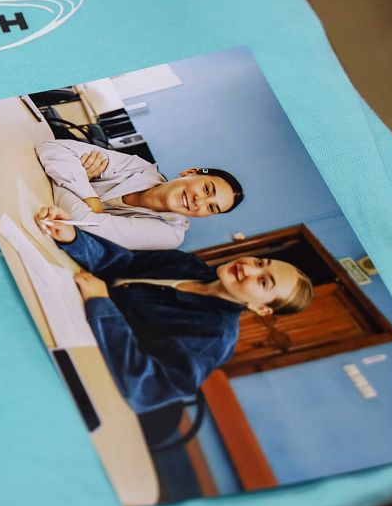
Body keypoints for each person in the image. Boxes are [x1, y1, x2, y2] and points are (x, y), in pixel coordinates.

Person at [35, 207, 313, 412]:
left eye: (263, 281)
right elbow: (121, 264)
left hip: (71, 357)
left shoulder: (215, 338)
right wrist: (73, 238)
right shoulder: (189, 265)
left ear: (262, 309)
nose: (249, 268)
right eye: (261, 262)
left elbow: (143, 389)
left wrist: (101, 303)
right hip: (62, 299)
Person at [36, 139, 244, 250]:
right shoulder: (139, 167)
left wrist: (78, 179)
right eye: (207, 189)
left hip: (42, 237)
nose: (200, 201)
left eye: (211, 207)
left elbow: (82, 225)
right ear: (189, 173)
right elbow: (52, 148)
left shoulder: (170, 235)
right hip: (34, 197)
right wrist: (90, 199)